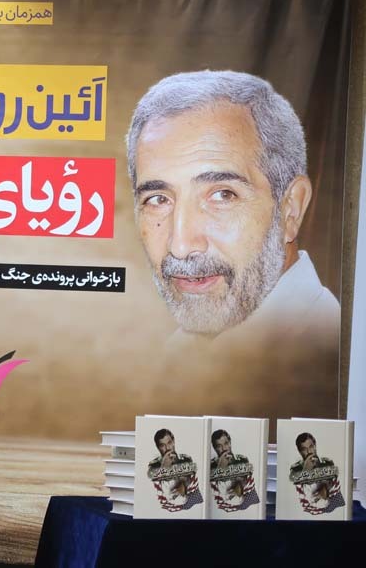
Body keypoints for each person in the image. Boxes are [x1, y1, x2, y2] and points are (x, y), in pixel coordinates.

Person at [126, 70, 340, 419]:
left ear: (291, 209)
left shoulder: (338, 366)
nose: (181, 245)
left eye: (222, 195)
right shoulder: (174, 358)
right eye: (158, 199)